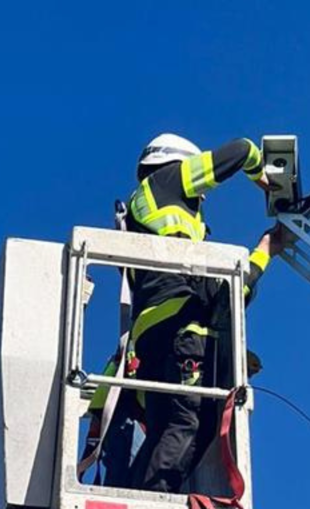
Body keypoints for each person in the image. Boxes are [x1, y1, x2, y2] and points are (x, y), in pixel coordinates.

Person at [110, 132, 288, 493]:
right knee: (188, 424)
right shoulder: (166, 182)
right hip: (180, 329)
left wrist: (266, 250)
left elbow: (230, 295)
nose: (202, 198)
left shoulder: (165, 235)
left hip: (158, 336)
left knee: (173, 429)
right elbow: (242, 151)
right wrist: (265, 181)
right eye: (199, 191)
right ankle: (154, 499)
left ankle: (139, 494)